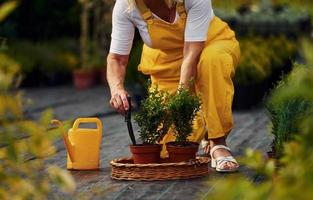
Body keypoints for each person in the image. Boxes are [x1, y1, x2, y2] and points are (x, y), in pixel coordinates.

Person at [107, 0, 240, 172]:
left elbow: (191, 52)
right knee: (167, 149)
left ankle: (218, 142)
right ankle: (204, 130)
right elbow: (117, 59)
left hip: (210, 44)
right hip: (168, 64)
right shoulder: (126, 6)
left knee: (211, 61)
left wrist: (181, 99)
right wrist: (117, 88)